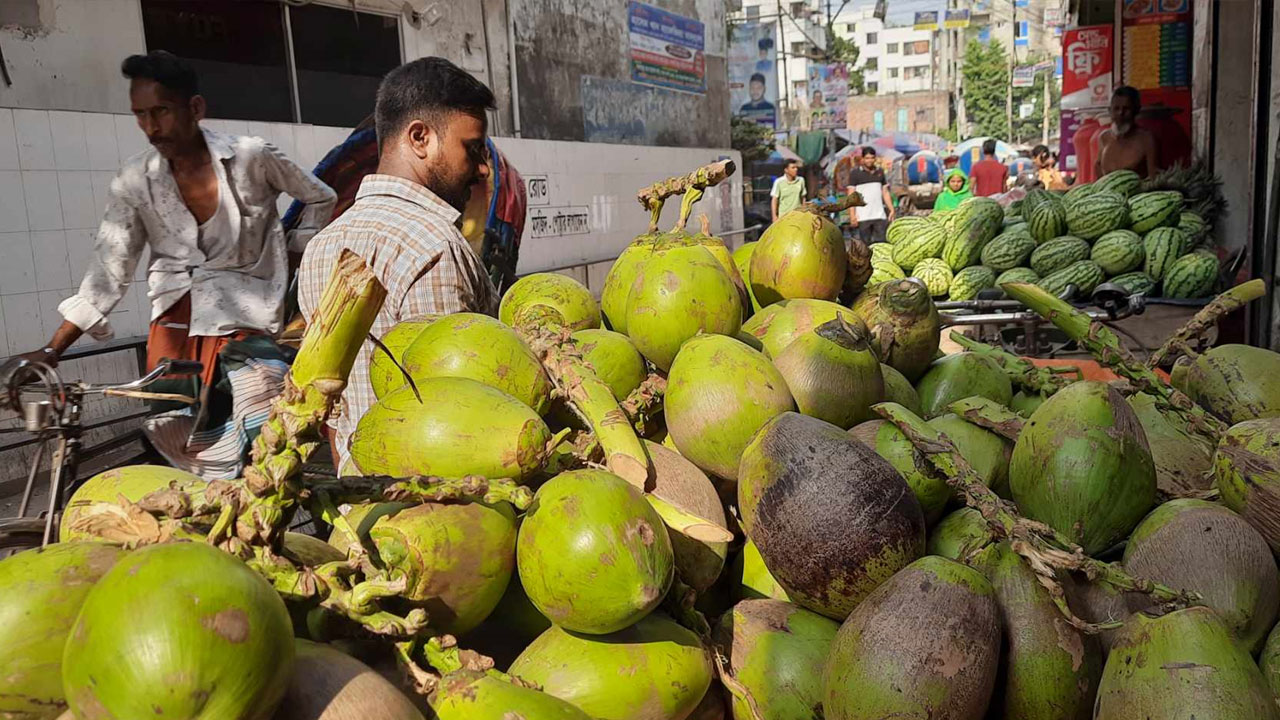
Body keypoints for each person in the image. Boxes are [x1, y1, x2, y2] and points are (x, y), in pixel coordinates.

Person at [7, 50, 334, 389]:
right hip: (173, 327)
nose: (151, 128)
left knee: (259, 430)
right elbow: (108, 271)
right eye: (140, 115)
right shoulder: (135, 180)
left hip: (248, 322)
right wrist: (52, 348)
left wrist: (296, 253)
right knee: (167, 431)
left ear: (195, 108)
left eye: (160, 111)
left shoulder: (252, 157)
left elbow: (321, 196)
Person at [297, 57, 501, 470]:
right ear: (420, 138)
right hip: (433, 512)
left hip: (361, 508)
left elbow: (333, 416)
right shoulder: (434, 248)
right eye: (473, 149)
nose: (482, 169)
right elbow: (455, 415)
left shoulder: (321, 246)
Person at [1096, 85, 1159, 179]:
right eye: (1116, 108)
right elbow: (1098, 173)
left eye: (1126, 108)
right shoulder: (1104, 138)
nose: (1121, 113)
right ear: (1110, 111)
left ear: (1136, 110)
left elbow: (1154, 177)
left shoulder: (1146, 139)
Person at [847, 147, 895, 244]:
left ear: (875, 159)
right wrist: (852, 215)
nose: (869, 160)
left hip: (879, 216)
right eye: (867, 158)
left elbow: (885, 192)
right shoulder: (855, 174)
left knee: (882, 245)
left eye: (872, 158)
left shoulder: (880, 172)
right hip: (863, 217)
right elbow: (851, 195)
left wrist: (891, 209)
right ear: (862, 159)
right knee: (865, 246)